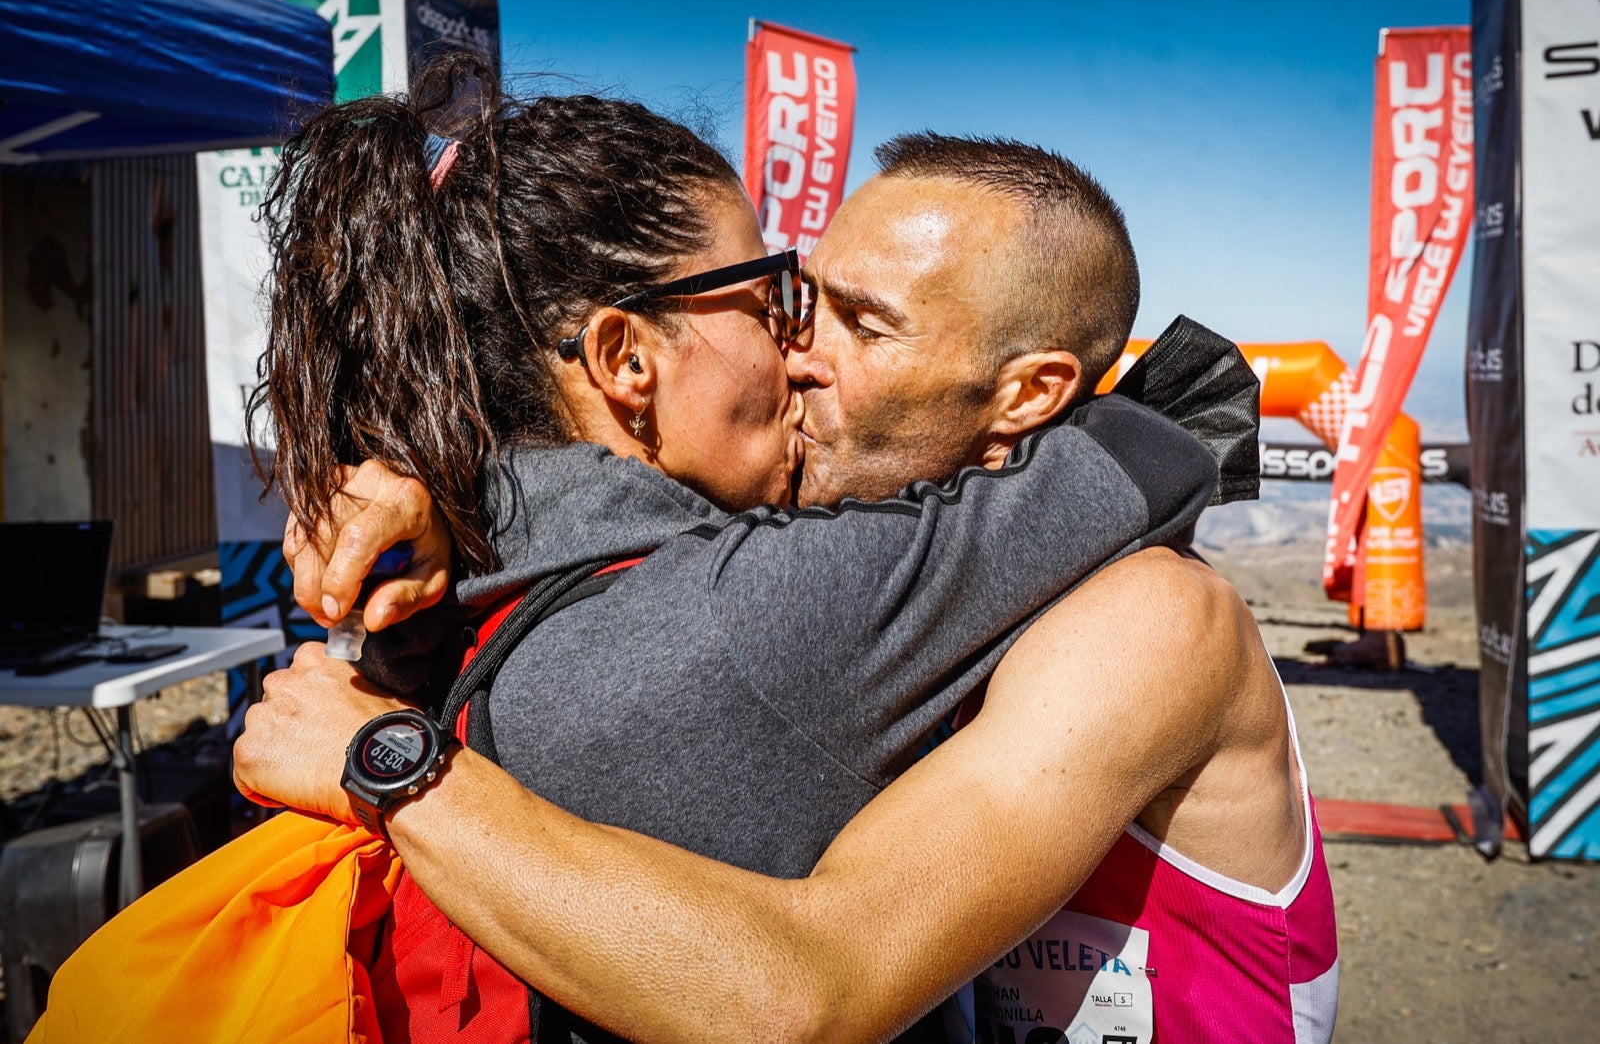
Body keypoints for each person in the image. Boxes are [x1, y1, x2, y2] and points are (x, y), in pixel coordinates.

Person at [234, 63, 1246, 1044]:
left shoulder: (423, 611)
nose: (796, 351)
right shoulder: (758, 612)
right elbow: (1164, 440)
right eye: (772, 298)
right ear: (626, 358)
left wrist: (429, 475)